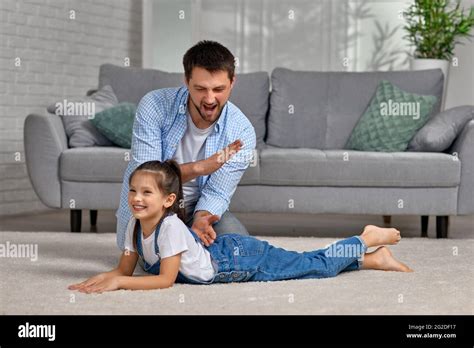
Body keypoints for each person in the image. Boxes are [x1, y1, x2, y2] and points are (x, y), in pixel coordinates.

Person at [69, 160, 413, 294]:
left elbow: (164, 280)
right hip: (224, 258)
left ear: (169, 200)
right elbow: (125, 267)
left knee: (312, 265)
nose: (136, 198)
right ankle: (372, 259)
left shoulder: (171, 228)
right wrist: (107, 276)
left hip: (237, 259)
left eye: (147, 192)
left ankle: (364, 237)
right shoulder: (133, 223)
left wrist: (118, 284)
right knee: (306, 271)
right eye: (132, 190)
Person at [115, 40, 256, 253]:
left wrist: (201, 219)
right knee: (167, 258)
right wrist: (200, 168)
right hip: (153, 208)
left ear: (232, 82)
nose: (209, 99)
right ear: (186, 81)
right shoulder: (154, 105)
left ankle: (191, 243)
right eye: (200, 89)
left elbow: (218, 193)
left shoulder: (241, 131)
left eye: (219, 89)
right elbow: (145, 181)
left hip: (199, 207)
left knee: (242, 251)